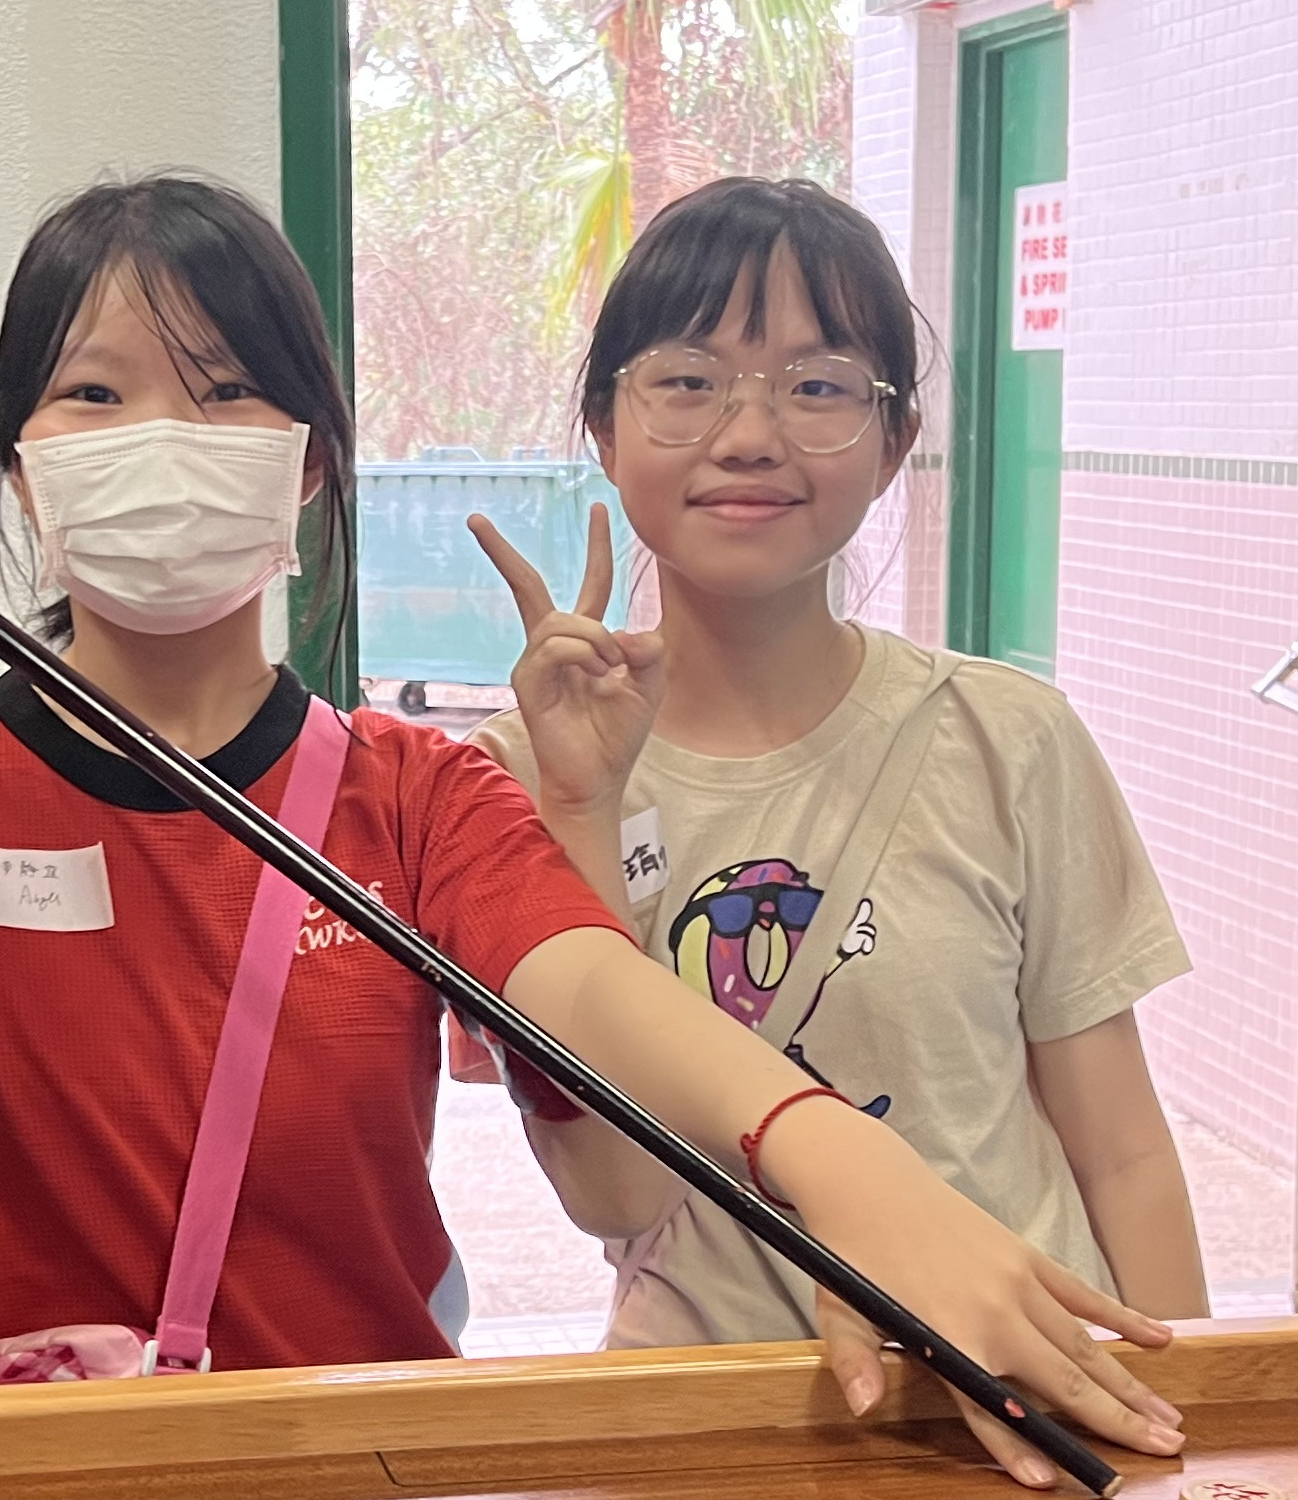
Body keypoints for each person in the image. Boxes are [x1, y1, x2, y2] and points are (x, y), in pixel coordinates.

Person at [0, 172, 1184, 1472]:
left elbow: (591, 994)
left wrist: (838, 1160)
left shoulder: (417, 788)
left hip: (361, 1491)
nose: (164, 437)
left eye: (226, 393)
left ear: (308, 457)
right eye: (96, 396)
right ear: (20, 457)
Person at [461, 173, 1210, 1350]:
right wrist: (582, 803)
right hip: (712, 1416)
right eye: (688, 382)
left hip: (1023, 1394)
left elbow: (1121, 1153)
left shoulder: (1007, 737)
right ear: (605, 426)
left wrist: (1194, 1415)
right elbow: (617, 1192)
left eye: (818, 388)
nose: (749, 437)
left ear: (895, 438)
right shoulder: (505, 783)